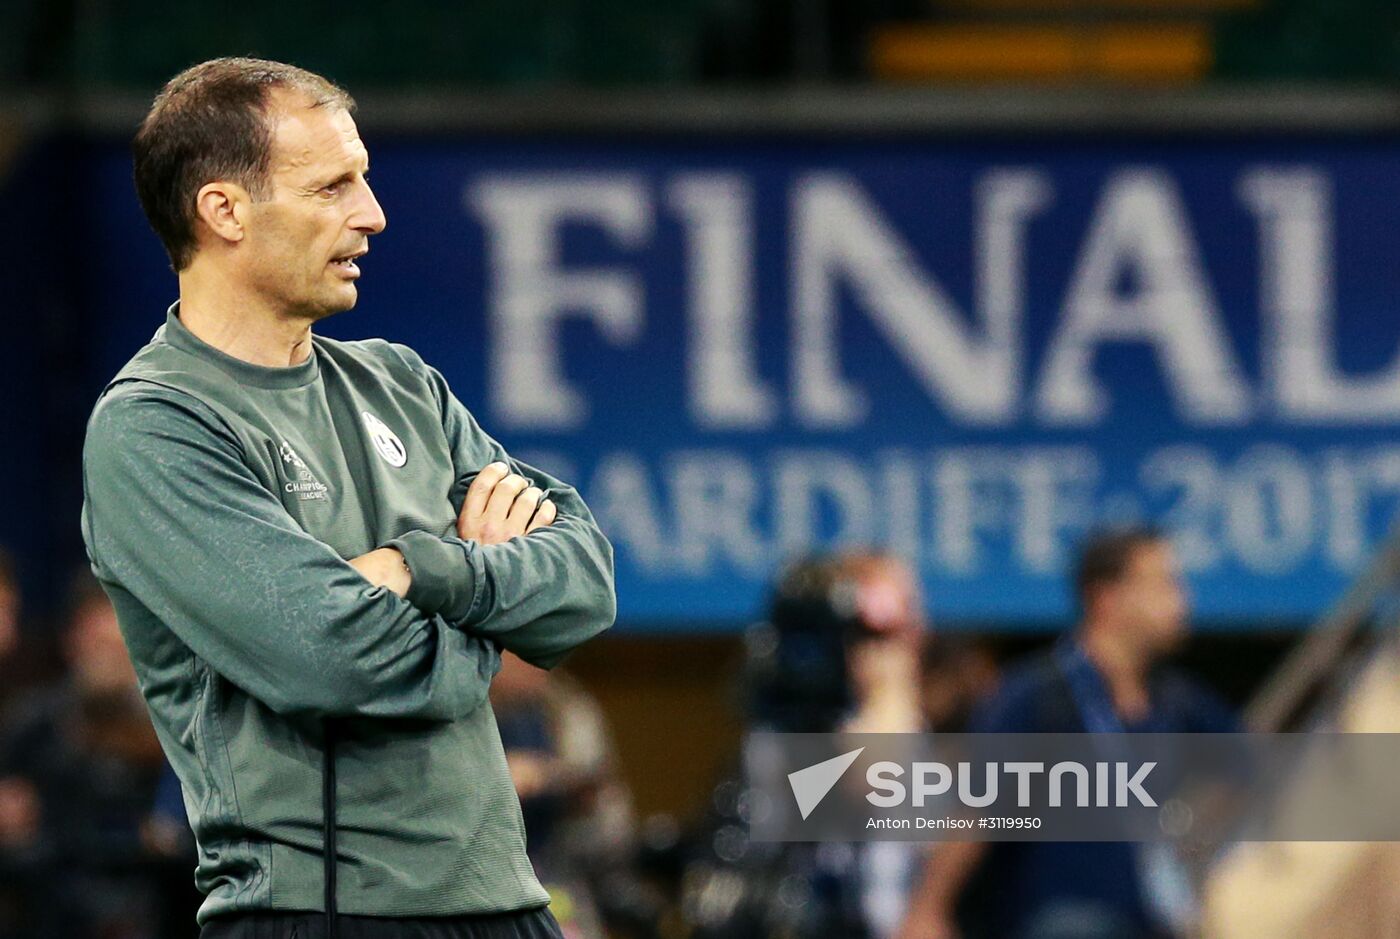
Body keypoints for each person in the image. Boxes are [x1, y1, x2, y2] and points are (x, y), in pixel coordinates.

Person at [79, 57, 616, 939]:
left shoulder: (401, 382)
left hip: (508, 903)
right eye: (332, 186)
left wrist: (418, 566)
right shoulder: (154, 425)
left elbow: (585, 584)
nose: (372, 214)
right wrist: (488, 610)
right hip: (318, 912)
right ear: (224, 211)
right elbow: (332, 660)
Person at [897, 527, 1236, 939]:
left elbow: (1247, 772)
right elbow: (975, 810)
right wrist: (928, 909)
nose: (1181, 601)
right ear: (1107, 599)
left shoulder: (1178, 700)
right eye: (1164, 584)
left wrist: (1191, 828)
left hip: (1151, 920)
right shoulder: (1038, 698)